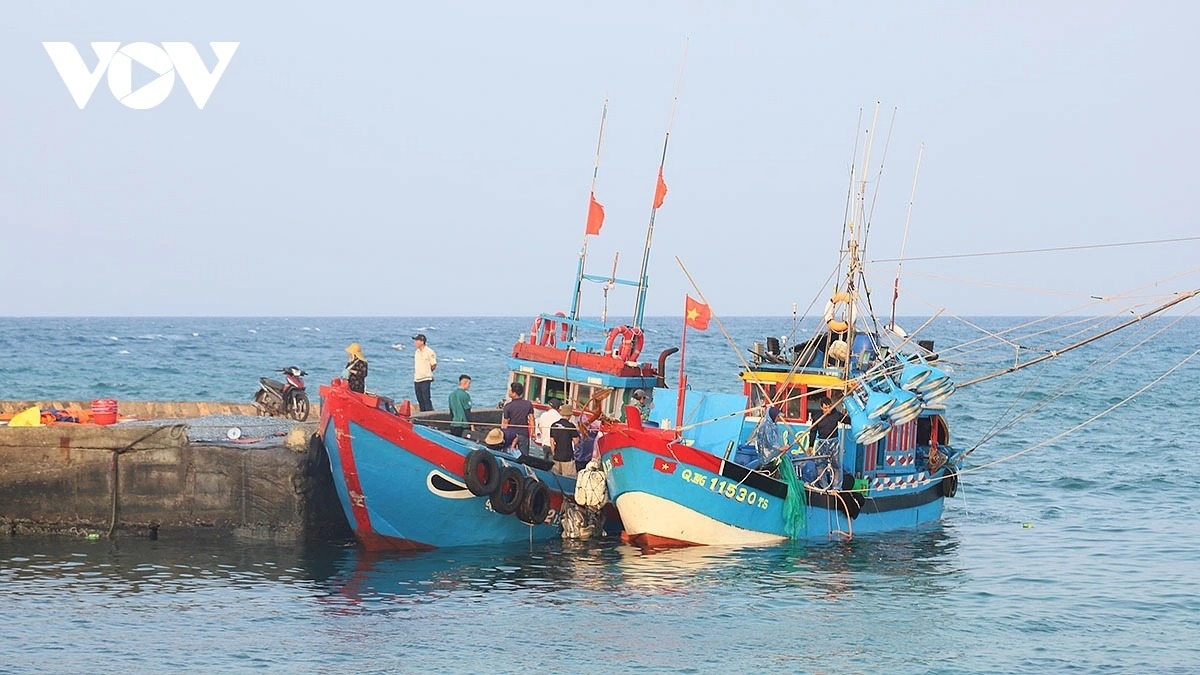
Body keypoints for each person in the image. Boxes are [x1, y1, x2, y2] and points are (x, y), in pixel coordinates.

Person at [500, 381, 535, 455]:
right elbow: (532, 419)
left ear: (514, 393)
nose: (509, 392)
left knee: (510, 453)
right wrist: (533, 432)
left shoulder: (508, 406)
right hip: (524, 433)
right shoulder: (528, 404)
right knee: (524, 455)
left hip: (511, 434)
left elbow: (505, 422)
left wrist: (503, 434)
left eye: (510, 390)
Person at [549, 405, 582, 477]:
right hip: (567, 457)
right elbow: (576, 441)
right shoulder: (571, 426)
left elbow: (552, 442)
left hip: (556, 457)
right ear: (570, 415)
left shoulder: (554, 425)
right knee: (569, 479)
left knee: (556, 478)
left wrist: (554, 453)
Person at [412, 333, 437, 412]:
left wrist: (428, 372)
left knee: (426, 398)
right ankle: (422, 414)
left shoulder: (429, 351)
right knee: (420, 399)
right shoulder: (417, 352)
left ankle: (428, 415)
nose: (415, 342)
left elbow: (434, 364)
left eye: (417, 340)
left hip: (425, 378)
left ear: (422, 341)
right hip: (417, 378)